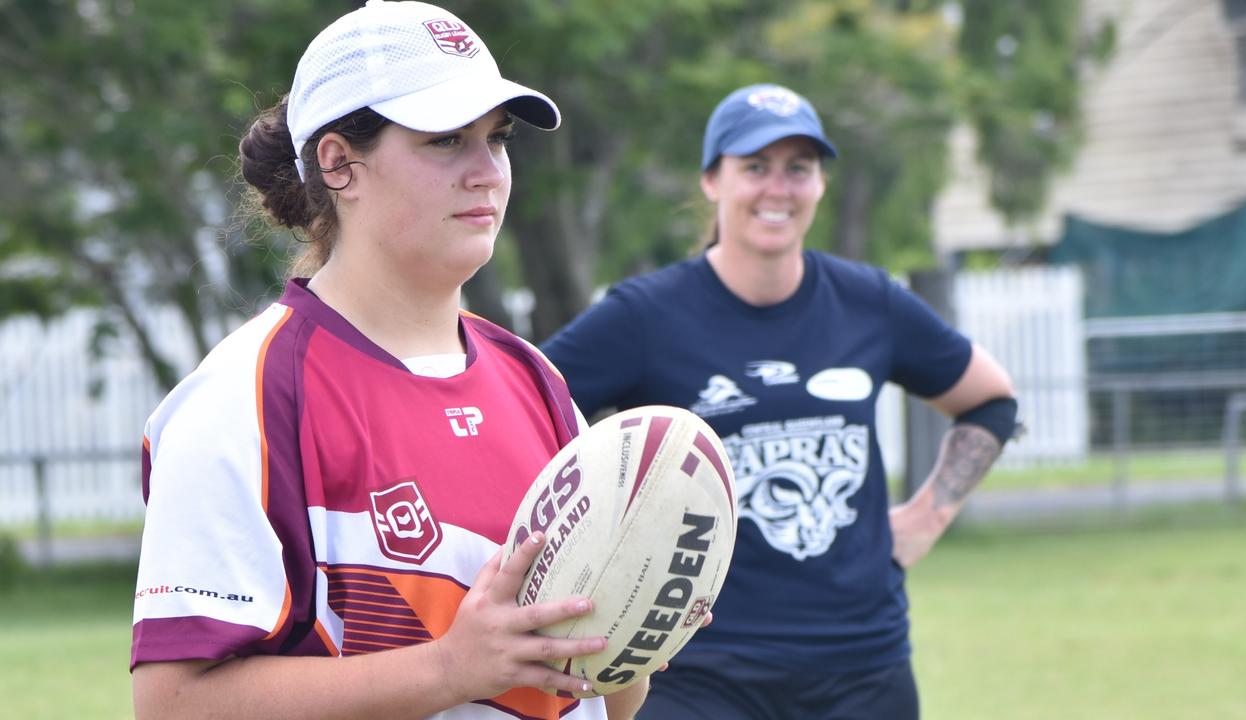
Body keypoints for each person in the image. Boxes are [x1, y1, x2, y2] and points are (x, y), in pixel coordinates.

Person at [129, 3, 651, 718]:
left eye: (496, 140)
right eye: (444, 140)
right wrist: (449, 669)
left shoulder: (534, 376)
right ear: (339, 162)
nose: (486, 172)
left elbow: (598, 703)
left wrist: (636, 628)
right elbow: (174, 705)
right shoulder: (244, 395)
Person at [541, 83, 1019, 720]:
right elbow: (520, 408)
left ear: (820, 185)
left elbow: (991, 400)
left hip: (863, 666)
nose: (779, 188)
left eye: (799, 168)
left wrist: (929, 517)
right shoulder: (646, 316)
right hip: (700, 673)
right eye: (755, 167)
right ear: (712, 180)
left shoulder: (868, 302)